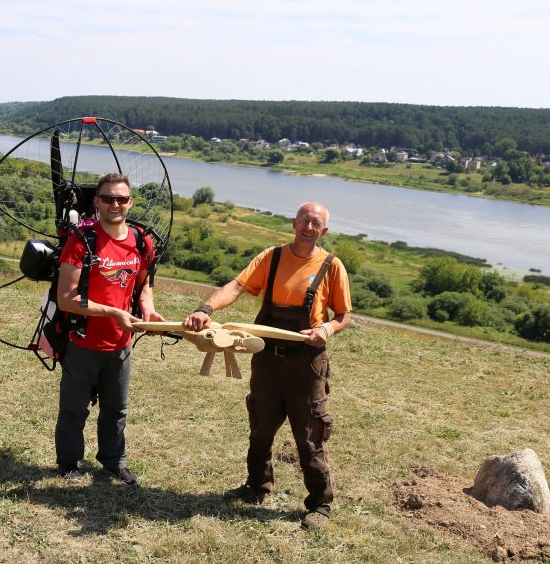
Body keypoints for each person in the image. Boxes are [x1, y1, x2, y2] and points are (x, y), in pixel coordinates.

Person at [183, 201, 351, 530]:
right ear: (294, 222)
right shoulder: (271, 258)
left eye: (316, 223)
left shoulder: (332, 266)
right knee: (260, 427)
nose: (308, 227)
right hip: (266, 360)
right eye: (304, 220)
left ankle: (320, 504)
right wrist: (206, 308)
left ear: (324, 231)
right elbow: (236, 287)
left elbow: (344, 315)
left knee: (309, 436)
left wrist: (326, 329)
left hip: (307, 366)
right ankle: (257, 486)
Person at [54, 172, 163, 485]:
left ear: (130, 203)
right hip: (83, 342)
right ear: (97, 202)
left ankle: (113, 462)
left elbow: (144, 285)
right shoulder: (81, 242)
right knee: (74, 409)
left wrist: (149, 310)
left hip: (120, 344)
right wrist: (115, 312)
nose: (115, 204)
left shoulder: (141, 241)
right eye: (108, 198)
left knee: (117, 409)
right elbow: (66, 299)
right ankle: (68, 464)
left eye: (122, 198)